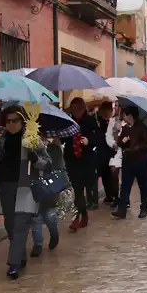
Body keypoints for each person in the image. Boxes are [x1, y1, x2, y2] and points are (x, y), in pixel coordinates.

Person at [0, 106, 52, 279]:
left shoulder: (32, 139)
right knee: (10, 225)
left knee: (20, 225)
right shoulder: (1, 140)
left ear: (22, 122)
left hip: (26, 187)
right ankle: (19, 255)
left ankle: (13, 265)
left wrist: (35, 158)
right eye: (8, 121)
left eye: (15, 120)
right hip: (5, 186)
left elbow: (48, 164)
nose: (11, 124)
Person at [63, 98, 98, 230]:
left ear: (83, 109)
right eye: (73, 110)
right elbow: (63, 138)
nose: (76, 112)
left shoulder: (90, 121)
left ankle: (83, 215)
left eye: (78, 110)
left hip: (86, 160)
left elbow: (98, 137)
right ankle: (78, 217)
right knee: (77, 191)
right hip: (72, 160)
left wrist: (89, 140)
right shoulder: (68, 122)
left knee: (84, 190)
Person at [111, 106, 147, 219]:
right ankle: (122, 210)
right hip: (128, 161)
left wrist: (136, 147)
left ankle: (144, 207)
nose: (123, 117)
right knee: (125, 186)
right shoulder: (125, 129)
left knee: (143, 186)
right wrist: (123, 141)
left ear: (130, 116)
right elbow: (119, 143)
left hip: (140, 161)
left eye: (124, 114)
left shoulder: (143, 128)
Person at [30, 135, 63, 257]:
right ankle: (38, 244)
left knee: (49, 215)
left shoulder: (54, 148)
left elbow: (54, 166)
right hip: (32, 186)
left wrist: (40, 152)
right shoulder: (27, 148)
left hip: (48, 186)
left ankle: (54, 235)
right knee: (35, 216)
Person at [95, 102, 118, 205]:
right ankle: (109, 195)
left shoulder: (113, 122)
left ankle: (114, 195)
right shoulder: (98, 121)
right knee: (104, 173)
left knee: (112, 173)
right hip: (102, 151)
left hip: (112, 151)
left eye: (110, 110)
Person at [106, 106, 126, 209]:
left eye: (119, 105)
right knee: (113, 171)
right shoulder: (112, 120)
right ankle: (116, 197)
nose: (118, 108)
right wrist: (113, 143)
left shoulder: (129, 120)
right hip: (116, 151)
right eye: (116, 106)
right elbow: (108, 135)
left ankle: (125, 199)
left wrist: (121, 129)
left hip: (127, 151)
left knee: (126, 176)